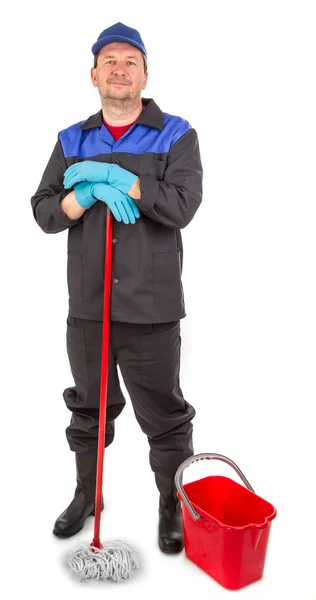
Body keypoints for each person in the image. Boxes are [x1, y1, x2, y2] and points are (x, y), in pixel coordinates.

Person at [30, 22, 203, 554]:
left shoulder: (176, 133)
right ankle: (88, 494)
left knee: (164, 414)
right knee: (88, 407)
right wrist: (84, 192)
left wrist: (115, 177)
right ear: (94, 75)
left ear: (145, 73)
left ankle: (170, 503)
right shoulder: (69, 139)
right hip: (88, 303)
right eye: (110, 60)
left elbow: (181, 206)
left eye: (130, 60)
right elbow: (43, 211)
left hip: (151, 306)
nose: (120, 69)